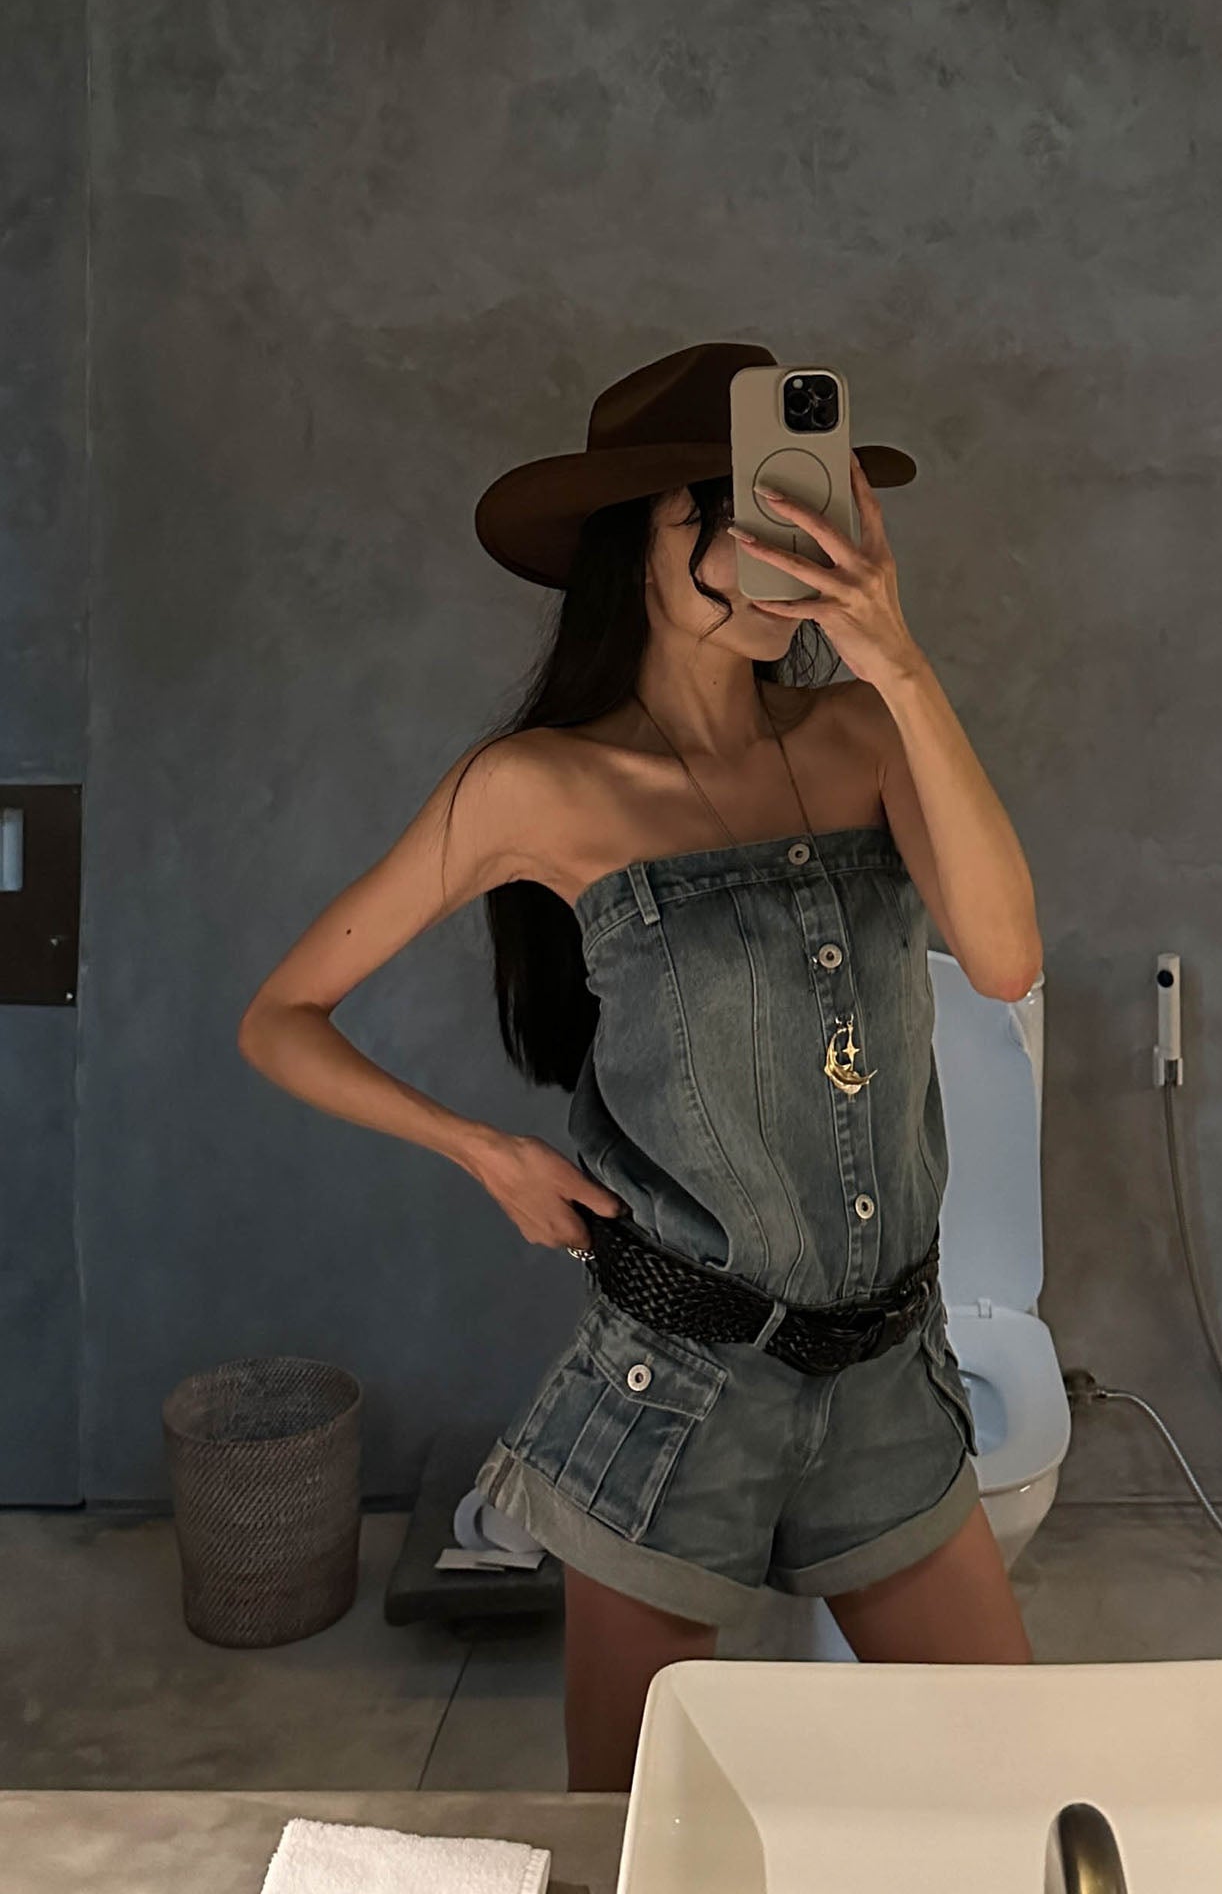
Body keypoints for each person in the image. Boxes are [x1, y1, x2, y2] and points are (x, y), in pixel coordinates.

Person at [237, 339, 1044, 1791]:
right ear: (638, 544)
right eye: (729, 522)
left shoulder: (862, 730)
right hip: (677, 1391)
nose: (774, 557)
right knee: (629, 1835)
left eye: (797, 515)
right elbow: (280, 1015)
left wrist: (902, 662)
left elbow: (1003, 958)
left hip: (886, 1379)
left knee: (1016, 1791)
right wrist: (484, 1152)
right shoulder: (537, 787)